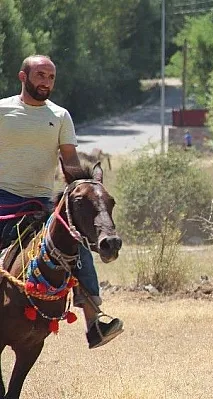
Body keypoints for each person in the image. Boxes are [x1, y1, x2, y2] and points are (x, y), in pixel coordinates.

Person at [0, 55, 123, 349]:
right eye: (40, 75)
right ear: (23, 76)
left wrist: (82, 186)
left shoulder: (60, 115)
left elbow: (69, 160)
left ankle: (95, 320)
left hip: (41, 203)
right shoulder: (2, 110)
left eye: (51, 77)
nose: (46, 82)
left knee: (76, 246)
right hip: (2, 199)